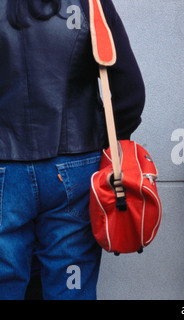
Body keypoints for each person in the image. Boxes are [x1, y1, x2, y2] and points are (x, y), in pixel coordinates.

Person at [0, 0, 145, 299]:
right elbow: (130, 93)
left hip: (4, 168)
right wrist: (99, 143)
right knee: (71, 285)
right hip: (76, 167)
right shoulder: (90, 4)